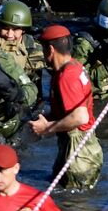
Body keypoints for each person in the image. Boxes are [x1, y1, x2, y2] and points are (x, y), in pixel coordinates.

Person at [28, 24, 102, 189]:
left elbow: (80, 116)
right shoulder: (75, 66)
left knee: (73, 208)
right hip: (85, 146)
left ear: (51, 50)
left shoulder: (66, 77)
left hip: (78, 153)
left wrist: (47, 128)